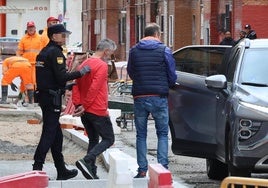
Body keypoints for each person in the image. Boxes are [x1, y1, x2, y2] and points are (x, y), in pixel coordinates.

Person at [32, 24, 91, 180]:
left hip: (46, 97)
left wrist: (67, 85)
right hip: (52, 99)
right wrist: (80, 73)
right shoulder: (55, 53)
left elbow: (48, 78)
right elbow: (61, 77)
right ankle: (36, 169)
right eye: (62, 35)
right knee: (49, 133)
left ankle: (61, 169)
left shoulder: (44, 52)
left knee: (56, 136)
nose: (65, 38)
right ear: (53, 36)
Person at [127, 23, 177, 178]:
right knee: (162, 133)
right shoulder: (164, 50)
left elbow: (131, 71)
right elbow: (171, 73)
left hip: (140, 96)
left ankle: (142, 170)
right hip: (159, 97)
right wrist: (168, 84)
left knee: (141, 134)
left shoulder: (134, 51)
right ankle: (162, 168)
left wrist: (141, 82)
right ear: (157, 34)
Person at [72, 39, 116, 179]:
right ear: (106, 51)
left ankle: (91, 170)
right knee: (109, 139)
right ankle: (88, 160)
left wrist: (79, 104)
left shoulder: (84, 64)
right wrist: (85, 105)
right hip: (96, 108)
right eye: (111, 54)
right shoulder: (102, 66)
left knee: (93, 139)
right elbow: (95, 88)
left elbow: (76, 85)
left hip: (85, 111)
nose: (110, 57)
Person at [16, 21, 43, 98]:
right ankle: (24, 98)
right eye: (29, 27)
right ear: (27, 29)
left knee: (35, 82)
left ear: (35, 28)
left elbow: (43, 51)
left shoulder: (40, 38)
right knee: (25, 81)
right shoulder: (23, 39)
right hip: (25, 64)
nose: (30, 29)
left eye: (32, 27)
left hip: (36, 64)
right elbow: (19, 52)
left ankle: (33, 98)